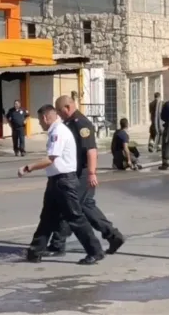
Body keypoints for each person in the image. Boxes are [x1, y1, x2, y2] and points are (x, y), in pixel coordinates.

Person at [31, 95, 125, 257]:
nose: (59, 116)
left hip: (82, 172)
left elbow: (91, 150)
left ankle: (59, 244)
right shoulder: (68, 123)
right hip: (73, 171)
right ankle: (113, 236)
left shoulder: (82, 123)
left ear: (67, 107)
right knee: (84, 206)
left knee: (70, 209)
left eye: (60, 112)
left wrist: (91, 173)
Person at [19, 104, 105, 265]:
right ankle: (35, 251)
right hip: (56, 181)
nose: (40, 124)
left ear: (45, 118)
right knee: (47, 218)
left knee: (75, 218)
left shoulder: (58, 131)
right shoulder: (57, 130)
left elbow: (50, 158)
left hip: (64, 182)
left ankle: (95, 251)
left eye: (40, 120)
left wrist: (27, 167)